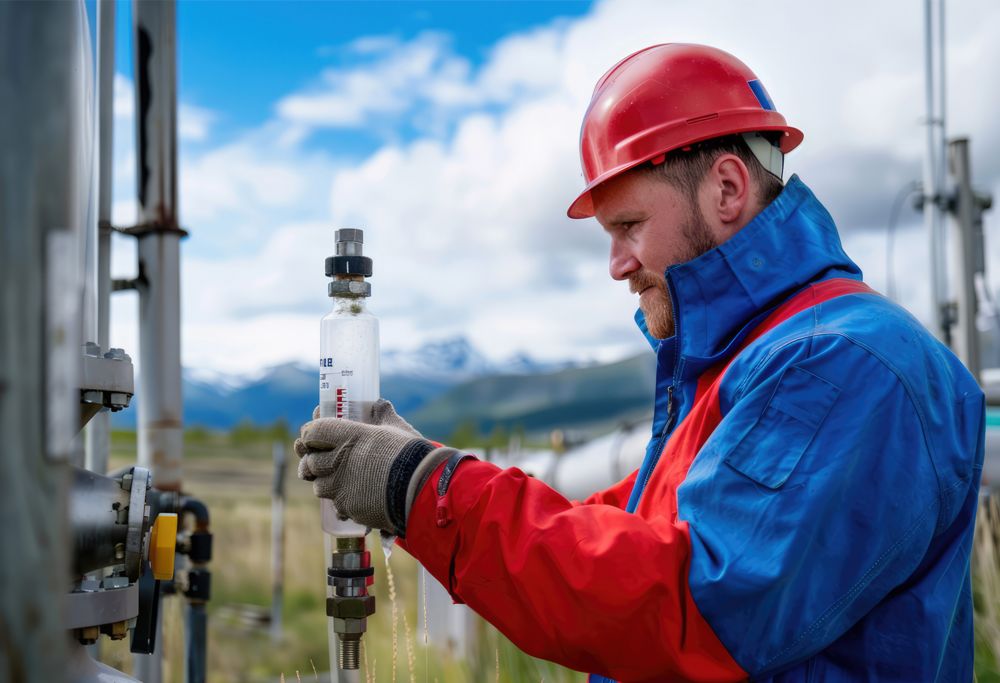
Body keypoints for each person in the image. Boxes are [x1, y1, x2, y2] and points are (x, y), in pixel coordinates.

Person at [296, 44, 985, 682]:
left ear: (726, 188)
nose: (617, 264)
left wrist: (421, 487)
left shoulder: (841, 364)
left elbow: (689, 604)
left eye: (628, 226)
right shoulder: (742, 364)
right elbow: (609, 535)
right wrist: (421, 474)